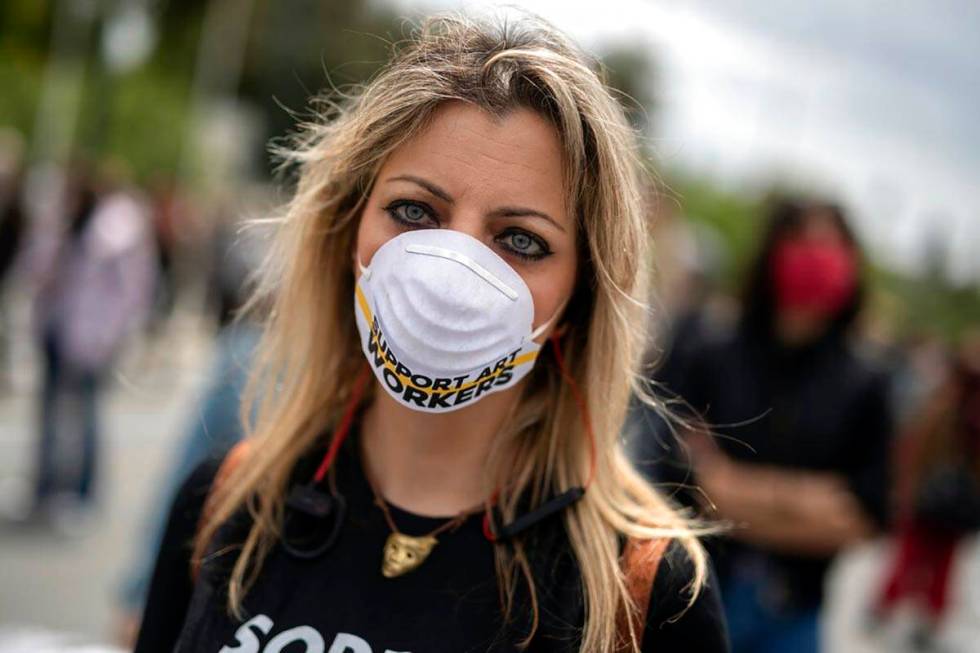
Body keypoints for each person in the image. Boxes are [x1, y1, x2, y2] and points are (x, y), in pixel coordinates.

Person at [135, 14, 728, 653]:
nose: (450, 272)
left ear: (580, 299)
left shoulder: (643, 592)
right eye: (415, 211)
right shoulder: (225, 508)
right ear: (347, 232)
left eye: (521, 240)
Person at [650, 199, 893, 653]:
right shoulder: (710, 350)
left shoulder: (866, 383)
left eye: (831, 246)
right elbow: (670, 473)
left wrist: (729, 490)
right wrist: (812, 501)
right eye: (802, 243)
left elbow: (864, 516)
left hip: (794, 615)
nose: (816, 258)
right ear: (773, 252)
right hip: (690, 594)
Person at [31, 171, 157, 526]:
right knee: (50, 413)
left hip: (93, 336)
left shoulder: (118, 228)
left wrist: (113, 333)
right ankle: (45, 488)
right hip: (57, 328)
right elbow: (37, 270)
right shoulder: (63, 225)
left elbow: (135, 288)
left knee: (86, 415)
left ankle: (83, 492)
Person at [873, 335, 980, 649]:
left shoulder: (951, 410)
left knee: (937, 565)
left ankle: (923, 619)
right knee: (910, 557)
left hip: (955, 506)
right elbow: (912, 451)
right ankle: (887, 608)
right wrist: (904, 490)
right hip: (927, 501)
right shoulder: (940, 408)